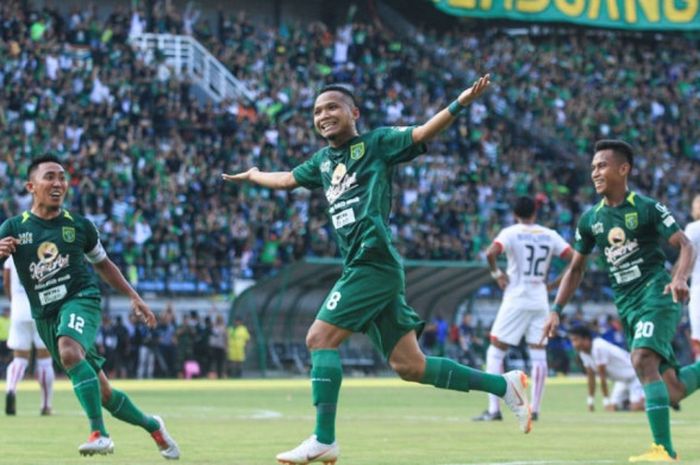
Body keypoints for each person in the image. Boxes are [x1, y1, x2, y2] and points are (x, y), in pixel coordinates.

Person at [223, 75, 532, 465]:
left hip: (374, 260)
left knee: (319, 338)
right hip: (364, 265)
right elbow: (286, 179)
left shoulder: (376, 143)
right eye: (317, 111)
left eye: (332, 107)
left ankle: (324, 438)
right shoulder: (322, 162)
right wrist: (253, 174)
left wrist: (459, 103)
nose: (324, 115)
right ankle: (504, 385)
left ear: (354, 113)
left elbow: (420, 133)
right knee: (410, 366)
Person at [0, 156, 180, 459]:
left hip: (81, 299)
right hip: (45, 315)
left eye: (62, 177)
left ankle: (99, 434)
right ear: (31, 186)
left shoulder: (80, 227)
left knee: (69, 350)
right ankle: (154, 427)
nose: (58, 183)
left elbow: (104, 265)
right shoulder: (14, 227)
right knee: (105, 394)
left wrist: (134, 296)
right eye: (49, 177)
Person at [542, 140, 700, 462]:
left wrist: (680, 277)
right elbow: (576, 269)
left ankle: (664, 451)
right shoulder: (590, 220)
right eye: (593, 168)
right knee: (672, 390)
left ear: (623, 169)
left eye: (601, 166)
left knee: (642, 359)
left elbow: (685, 244)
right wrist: (556, 310)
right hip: (626, 304)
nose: (595, 173)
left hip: (658, 293)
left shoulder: (646, 208)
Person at [473, 196, 572, 423]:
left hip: (516, 295)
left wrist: (497, 274)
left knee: (496, 350)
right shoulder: (549, 234)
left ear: (515, 214)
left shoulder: (510, 232)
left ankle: (494, 410)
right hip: (540, 297)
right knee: (538, 353)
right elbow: (575, 259)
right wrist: (556, 284)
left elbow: (490, 253)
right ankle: (534, 409)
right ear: (535, 213)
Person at [4, 255, 55, 416]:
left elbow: (6, 282)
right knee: (45, 359)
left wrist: (15, 303)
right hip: (41, 309)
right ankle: (46, 405)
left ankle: (11, 389)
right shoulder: (43, 253)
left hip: (18, 310)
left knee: (19, 358)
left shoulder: (11, 258)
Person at [569, 325, 644, 412]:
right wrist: (590, 401)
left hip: (635, 376)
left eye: (576, 340)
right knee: (612, 409)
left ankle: (643, 402)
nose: (573, 344)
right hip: (621, 381)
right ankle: (630, 402)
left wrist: (606, 401)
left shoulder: (598, 347)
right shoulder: (583, 352)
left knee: (636, 408)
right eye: (572, 340)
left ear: (586, 339)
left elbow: (602, 376)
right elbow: (591, 377)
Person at [685, 194, 700, 361]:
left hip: (698, 287)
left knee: (698, 338)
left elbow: (685, 258)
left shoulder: (693, 228)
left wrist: (677, 278)